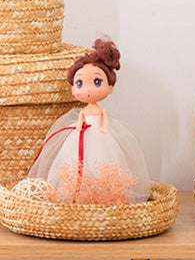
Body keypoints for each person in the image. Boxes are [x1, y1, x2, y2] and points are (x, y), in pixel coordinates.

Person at [30, 38, 151, 204]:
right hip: (81, 135)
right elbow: (80, 120)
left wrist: (104, 129)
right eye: (79, 83)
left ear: (110, 87)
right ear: (73, 88)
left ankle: (102, 194)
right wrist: (79, 129)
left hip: (102, 134)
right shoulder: (84, 111)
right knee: (75, 163)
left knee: (102, 163)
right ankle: (78, 193)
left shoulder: (100, 111)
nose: (87, 89)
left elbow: (105, 120)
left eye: (97, 82)